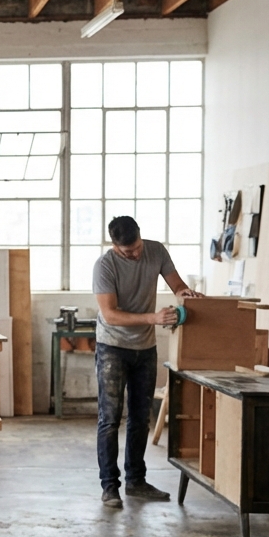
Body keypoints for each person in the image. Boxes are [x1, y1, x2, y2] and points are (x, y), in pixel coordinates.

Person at [92, 215, 202, 509]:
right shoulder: (105, 266)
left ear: (141, 237)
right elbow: (111, 314)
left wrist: (185, 294)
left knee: (141, 417)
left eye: (137, 247)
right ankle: (110, 487)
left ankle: (136, 481)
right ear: (115, 246)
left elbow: (177, 284)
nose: (136, 254)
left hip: (145, 347)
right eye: (128, 252)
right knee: (110, 418)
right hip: (112, 347)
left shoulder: (156, 251)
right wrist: (153, 318)